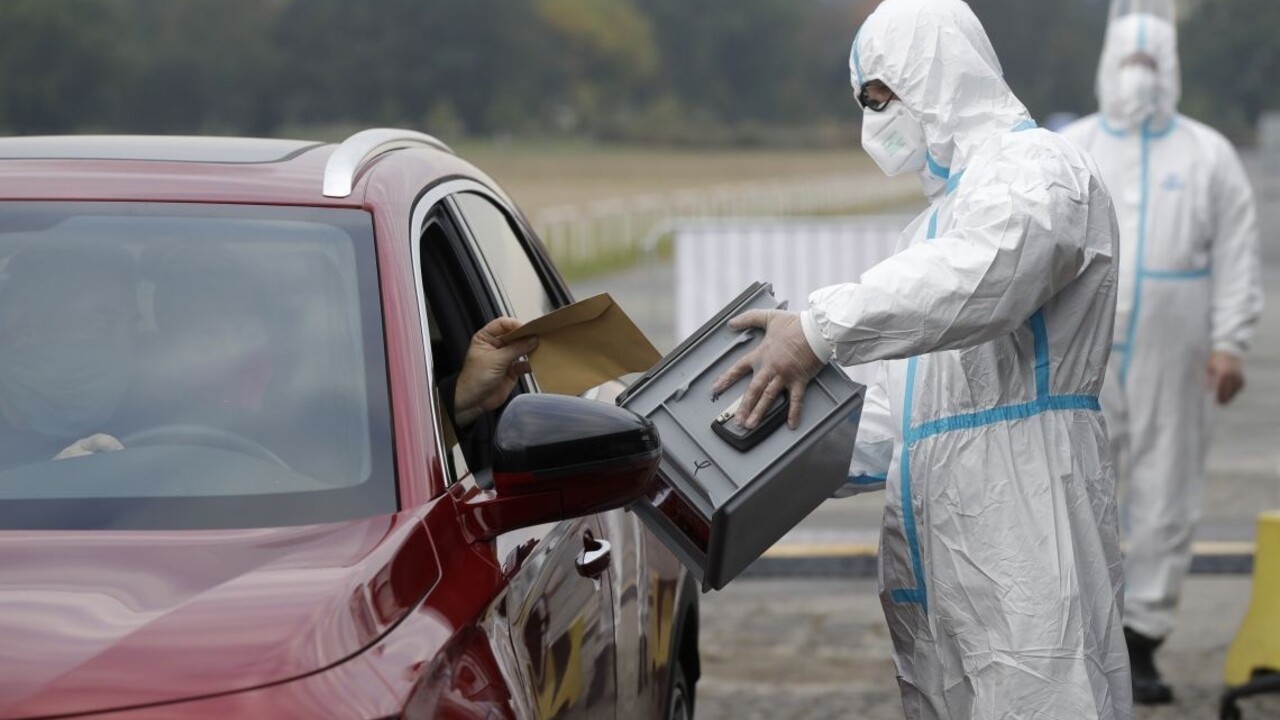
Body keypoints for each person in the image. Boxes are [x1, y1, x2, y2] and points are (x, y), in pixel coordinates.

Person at [712, 0, 1131, 716]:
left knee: (1044, 694)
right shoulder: (936, 221)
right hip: (944, 539)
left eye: (881, 99)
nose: (874, 123)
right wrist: (764, 436)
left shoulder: (1039, 170)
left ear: (934, 78)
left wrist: (817, 330)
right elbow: (912, 415)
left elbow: (984, 278)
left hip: (1026, 519)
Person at [1059, 1, 1264, 705]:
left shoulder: (1206, 154)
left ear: (1169, 69)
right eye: (1128, 62)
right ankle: (1082, 633)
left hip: (1176, 348)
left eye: (1150, 64)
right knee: (1078, 481)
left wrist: (1231, 341)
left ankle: (1142, 637)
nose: (1137, 77)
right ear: (1105, 65)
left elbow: (1238, 254)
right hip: (1082, 346)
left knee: (1166, 485)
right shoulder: (1073, 148)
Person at [0, 241, 139, 467]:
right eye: (103, 324)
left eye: (132, 329)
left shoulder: (150, 419)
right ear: (23, 329)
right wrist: (50, 483)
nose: (123, 345)